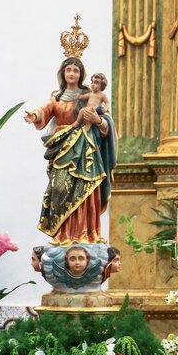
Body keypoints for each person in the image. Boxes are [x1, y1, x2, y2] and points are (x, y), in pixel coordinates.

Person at [24, 56, 117, 246]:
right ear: (63, 73)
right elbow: (44, 110)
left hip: (86, 148)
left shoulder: (90, 94)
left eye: (76, 70)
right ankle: (63, 234)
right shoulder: (57, 97)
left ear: (81, 74)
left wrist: (99, 120)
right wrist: (34, 115)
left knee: (86, 189)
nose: (72, 74)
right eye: (69, 70)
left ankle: (86, 234)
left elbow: (106, 120)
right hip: (63, 147)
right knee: (59, 188)